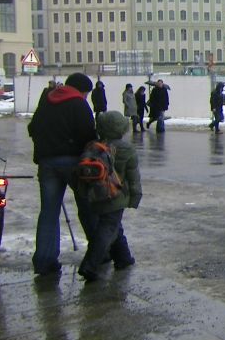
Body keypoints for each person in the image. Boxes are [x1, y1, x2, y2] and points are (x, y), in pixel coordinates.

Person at [27, 72, 98, 277]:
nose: (85, 97)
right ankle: (98, 254)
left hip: (47, 162)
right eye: (85, 93)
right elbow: (88, 135)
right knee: (87, 207)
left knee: (48, 212)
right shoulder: (78, 104)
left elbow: (32, 128)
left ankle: (44, 261)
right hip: (73, 162)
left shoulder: (47, 101)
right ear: (80, 90)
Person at [77, 111, 140, 282]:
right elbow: (133, 177)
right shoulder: (126, 149)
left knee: (113, 226)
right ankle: (89, 265)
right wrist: (135, 197)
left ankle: (123, 258)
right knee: (108, 229)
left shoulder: (93, 146)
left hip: (96, 193)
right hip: (115, 194)